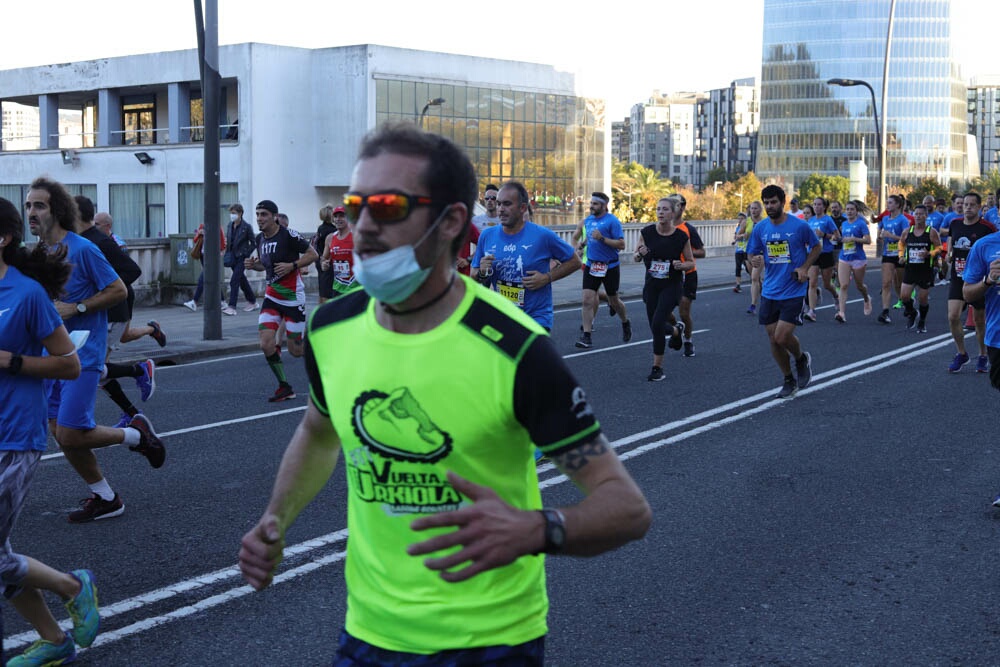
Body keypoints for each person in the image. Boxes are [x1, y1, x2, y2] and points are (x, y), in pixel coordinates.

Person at [239, 122, 651, 664]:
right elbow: (319, 432)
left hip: (489, 642)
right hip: (368, 633)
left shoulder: (517, 349)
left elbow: (626, 508)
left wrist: (536, 528)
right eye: (355, 205)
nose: (361, 225)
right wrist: (275, 519)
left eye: (386, 206)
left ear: (451, 220)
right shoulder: (330, 329)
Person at [27, 177, 165, 523]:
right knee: (62, 434)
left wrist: (79, 308)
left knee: (73, 431)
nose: (31, 212)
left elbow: (118, 289)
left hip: (83, 353)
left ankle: (136, 435)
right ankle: (106, 497)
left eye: (39, 205)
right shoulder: (37, 255)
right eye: (28, 205)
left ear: (56, 210)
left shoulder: (85, 249)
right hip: (50, 356)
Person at [0, 197, 102, 666]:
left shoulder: (27, 295)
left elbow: (69, 363)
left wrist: (12, 361)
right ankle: (56, 633)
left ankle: (72, 587)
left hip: (14, 436)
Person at [73, 199, 160, 429]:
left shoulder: (100, 241)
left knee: (95, 369)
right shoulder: (80, 241)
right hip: (98, 315)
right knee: (97, 371)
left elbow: (132, 270)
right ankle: (131, 414)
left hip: (112, 313)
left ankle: (139, 371)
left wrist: (107, 290)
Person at [472, 182, 580, 332]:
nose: (501, 209)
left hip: (535, 319)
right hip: (503, 317)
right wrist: (482, 272)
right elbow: (474, 275)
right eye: (498, 204)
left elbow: (575, 261)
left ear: (522, 208)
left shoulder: (542, 235)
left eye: (507, 204)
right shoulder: (487, 235)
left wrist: (546, 278)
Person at [745, 184, 820, 399]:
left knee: (782, 335)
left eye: (773, 202)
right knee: (773, 339)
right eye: (766, 203)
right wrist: (755, 260)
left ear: (782, 202)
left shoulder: (799, 226)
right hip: (770, 290)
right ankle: (788, 378)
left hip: (794, 289)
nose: (770, 206)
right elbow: (752, 254)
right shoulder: (761, 228)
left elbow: (816, 247)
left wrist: (804, 268)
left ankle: (800, 359)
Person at [243, 199, 318, 402]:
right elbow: (265, 267)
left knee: (295, 350)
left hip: (293, 298)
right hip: (272, 297)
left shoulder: (288, 235)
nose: (260, 218)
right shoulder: (260, 240)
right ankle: (284, 386)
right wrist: (253, 265)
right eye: (258, 214)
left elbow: (313, 254)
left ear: (275, 217)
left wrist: (292, 265)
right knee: (266, 343)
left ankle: (322, 352)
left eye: (264, 214)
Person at [635, 197, 694, 381]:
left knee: (657, 323)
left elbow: (691, 261)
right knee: (655, 326)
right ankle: (676, 331)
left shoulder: (681, 236)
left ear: (673, 212)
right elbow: (636, 256)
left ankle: (657, 368)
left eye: (665, 209)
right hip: (652, 285)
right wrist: (639, 253)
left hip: (672, 285)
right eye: (658, 209)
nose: (660, 212)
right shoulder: (647, 232)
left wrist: (681, 265)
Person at [945, 192, 996, 373]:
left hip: (978, 280)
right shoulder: (955, 224)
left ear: (979, 208)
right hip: (958, 277)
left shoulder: (987, 227)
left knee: (979, 320)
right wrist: (948, 255)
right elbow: (951, 242)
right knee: (953, 316)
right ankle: (962, 353)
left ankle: (982, 355)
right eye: (965, 204)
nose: (967, 207)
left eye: (971, 205)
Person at [571, 192, 631, 348]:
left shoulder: (612, 221)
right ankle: (586, 336)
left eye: (595, 204)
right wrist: (582, 245)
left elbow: (621, 245)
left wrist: (602, 239)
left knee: (614, 301)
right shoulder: (589, 220)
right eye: (591, 203)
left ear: (604, 206)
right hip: (592, 265)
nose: (591, 206)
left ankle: (625, 322)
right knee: (587, 300)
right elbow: (590, 237)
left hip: (610, 266)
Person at [670, 193, 706, 357]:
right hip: (667, 275)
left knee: (684, 312)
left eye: (676, 204)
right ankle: (677, 327)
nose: (672, 207)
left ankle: (688, 340)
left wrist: (684, 253)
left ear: (682, 208)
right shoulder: (662, 226)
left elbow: (702, 252)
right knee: (661, 311)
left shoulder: (688, 229)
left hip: (687, 274)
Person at [898, 204, 941, 333]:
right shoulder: (907, 231)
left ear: (926, 216)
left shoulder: (931, 232)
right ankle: (912, 312)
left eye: (921, 214)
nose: (918, 216)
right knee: (904, 296)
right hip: (910, 268)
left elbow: (939, 248)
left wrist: (929, 253)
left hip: (925, 269)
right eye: (916, 214)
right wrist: (901, 256)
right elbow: (901, 244)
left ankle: (922, 321)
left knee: (923, 298)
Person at [834, 200, 873, 323]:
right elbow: (840, 238)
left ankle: (866, 298)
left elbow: (868, 240)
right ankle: (841, 313)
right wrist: (838, 238)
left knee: (859, 286)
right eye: (848, 209)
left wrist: (854, 239)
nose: (849, 211)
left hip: (858, 258)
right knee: (843, 285)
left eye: (852, 209)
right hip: (844, 257)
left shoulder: (861, 224)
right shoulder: (844, 224)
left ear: (856, 211)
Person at [803, 197, 840, 322]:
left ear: (824, 207)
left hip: (826, 253)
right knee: (812, 283)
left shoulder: (828, 220)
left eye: (819, 204)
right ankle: (812, 311)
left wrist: (824, 235)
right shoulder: (810, 220)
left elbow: (837, 237)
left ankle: (836, 296)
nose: (816, 207)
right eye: (814, 204)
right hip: (813, 254)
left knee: (826, 284)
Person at [876, 194, 909, 323]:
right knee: (886, 283)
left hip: (900, 254)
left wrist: (891, 235)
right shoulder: (885, 219)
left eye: (890, 202)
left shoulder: (903, 220)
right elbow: (880, 232)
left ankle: (908, 304)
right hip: (887, 254)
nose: (887, 204)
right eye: (887, 202)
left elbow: (906, 239)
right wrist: (880, 236)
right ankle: (885, 312)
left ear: (897, 205)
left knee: (899, 284)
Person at [183, 219, 227, 311]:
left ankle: (194, 301)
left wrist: (220, 251)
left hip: (212, 257)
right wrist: (200, 233)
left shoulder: (217, 227)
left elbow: (222, 242)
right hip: (203, 256)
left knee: (202, 279)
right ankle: (222, 301)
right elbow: (195, 240)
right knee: (214, 279)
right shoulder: (202, 226)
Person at [223, 203, 258, 316]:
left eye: (234, 213)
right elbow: (229, 240)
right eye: (231, 213)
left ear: (240, 213)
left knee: (234, 280)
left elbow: (254, 243)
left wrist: (246, 253)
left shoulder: (246, 227)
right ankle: (252, 301)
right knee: (241, 279)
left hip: (242, 258)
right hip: (232, 257)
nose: (232, 215)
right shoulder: (229, 225)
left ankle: (232, 306)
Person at [319, 205, 356, 300]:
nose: (338, 219)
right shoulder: (330, 238)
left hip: (355, 286)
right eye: (335, 216)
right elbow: (324, 258)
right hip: (338, 286)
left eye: (341, 216)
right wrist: (324, 264)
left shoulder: (356, 236)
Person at [313, 205, 339, 304]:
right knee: (328, 291)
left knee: (322, 289)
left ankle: (320, 309)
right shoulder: (332, 231)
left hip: (319, 261)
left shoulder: (320, 228)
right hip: (327, 262)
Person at [745, 200, 765, 315]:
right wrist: (741, 236)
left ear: (760, 210)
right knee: (755, 279)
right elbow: (738, 234)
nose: (753, 210)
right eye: (751, 208)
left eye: (755, 208)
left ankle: (754, 304)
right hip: (751, 252)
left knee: (757, 278)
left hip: (765, 252)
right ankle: (757, 302)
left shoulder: (765, 222)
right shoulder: (747, 221)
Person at [732, 211, 749, 293]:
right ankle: (738, 285)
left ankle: (757, 281)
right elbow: (736, 236)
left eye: (742, 219)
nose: (740, 220)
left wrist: (740, 236)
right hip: (738, 250)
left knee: (748, 268)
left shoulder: (747, 226)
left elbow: (747, 235)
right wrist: (734, 241)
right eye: (739, 219)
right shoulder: (738, 227)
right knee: (738, 267)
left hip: (746, 250)